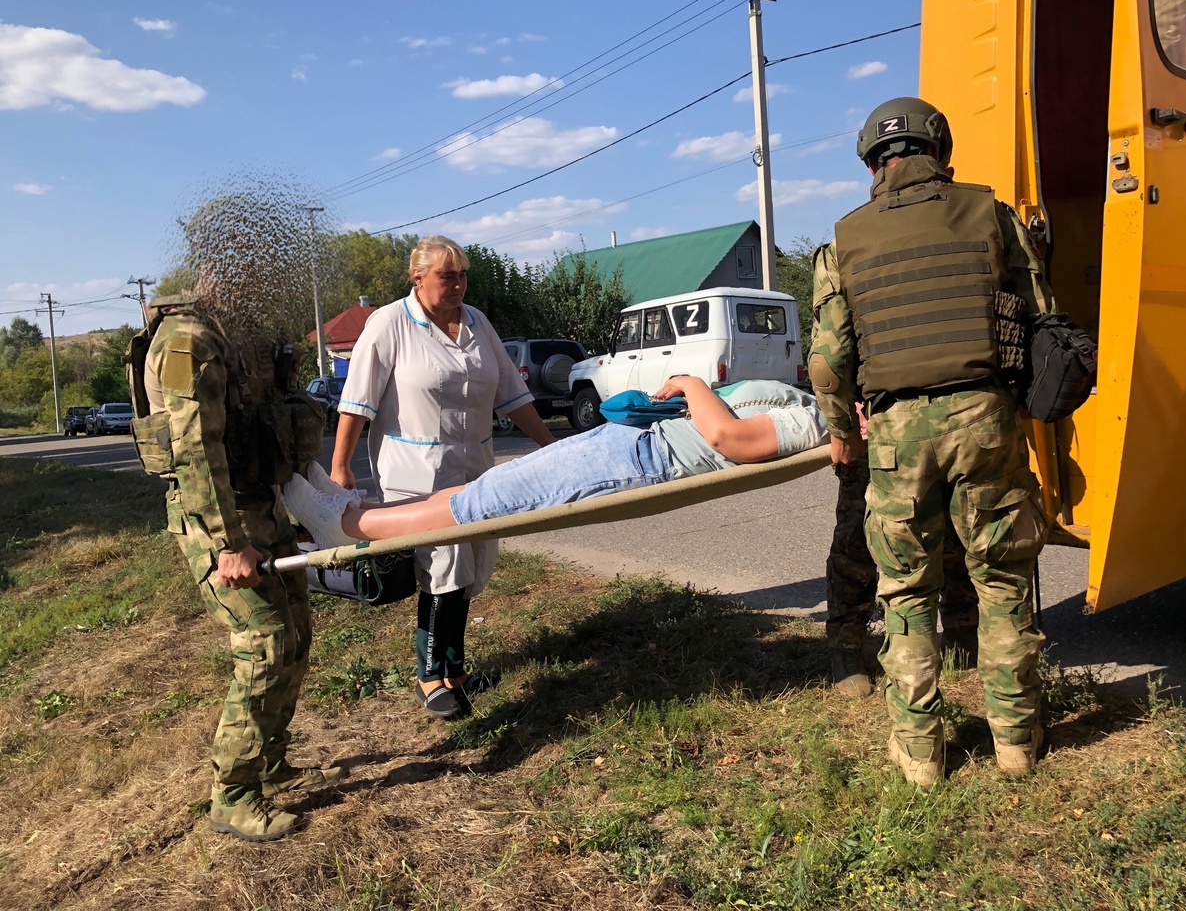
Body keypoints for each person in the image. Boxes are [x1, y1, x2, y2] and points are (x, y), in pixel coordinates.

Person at [819, 96, 1055, 789]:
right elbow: (1041, 317)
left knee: (907, 591)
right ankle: (1016, 740)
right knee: (1003, 580)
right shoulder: (993, 215)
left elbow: (830, 364)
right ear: (940, 151)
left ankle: (921, 755)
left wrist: (842, 436)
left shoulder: (845, 239)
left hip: (896, 435)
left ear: (873, 163)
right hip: (987, 419)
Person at [126, 191, 345, 843]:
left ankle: (269, 755)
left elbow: (273, 425)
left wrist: (310, 501)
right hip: (214, 516)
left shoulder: (242, 334)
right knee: (265, 642)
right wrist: (228, 546)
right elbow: (196, 457)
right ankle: (232, 793)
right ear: (222, 263)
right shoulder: (189, 341)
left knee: (298, 632)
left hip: (262, 505)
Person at [329, 235, 556, 721]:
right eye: (447, 276)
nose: (458, 285)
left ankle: (455, 671)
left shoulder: (477, 322)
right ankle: (429, 676)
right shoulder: (388, 324)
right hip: (416, 473)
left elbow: (512, 397)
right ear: (418, 278)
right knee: (443, 567)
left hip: (474, 467)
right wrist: (340, 466)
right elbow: (357, 402)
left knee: (470, 562)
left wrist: (553, 448)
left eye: (463, 275)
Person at [285, 376, 825, 550]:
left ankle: (347, 527)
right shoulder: (815, 404)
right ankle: (354, 509)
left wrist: (690, 383)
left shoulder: (818, 420)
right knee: (490, 488)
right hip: (630, 443)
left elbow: (733, 439)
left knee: (486, 503)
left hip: (639, 460)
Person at [810, 242, 981, 699]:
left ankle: (965, 635)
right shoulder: (851, 247)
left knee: (958, 531)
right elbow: (829, 356)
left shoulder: (950, 233)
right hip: (882, 421)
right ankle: (848, 646)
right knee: (862, 539)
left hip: (951, 410)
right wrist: (844, 427)